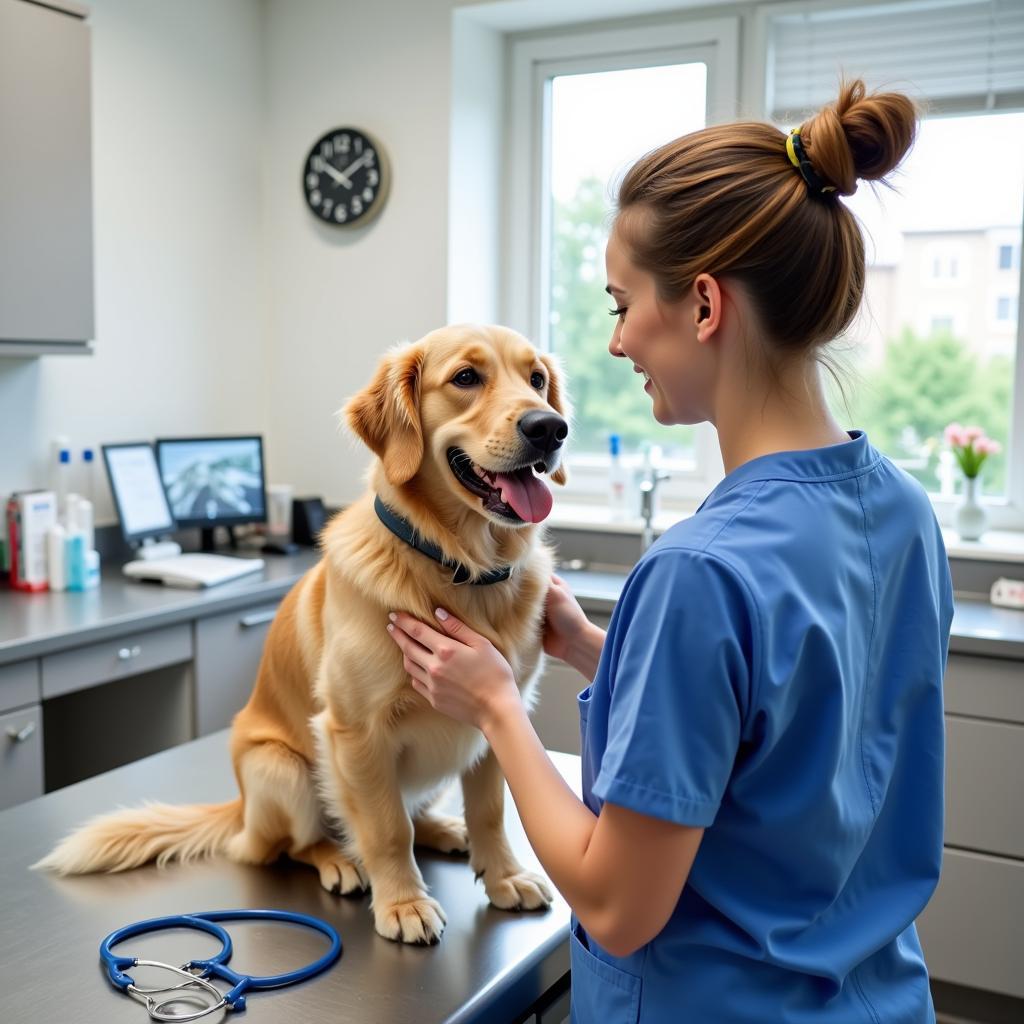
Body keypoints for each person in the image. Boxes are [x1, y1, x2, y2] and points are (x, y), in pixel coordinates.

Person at [386, 79, 954, 1023]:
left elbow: (615, 904)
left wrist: (496, 708)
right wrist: (592, 650)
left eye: (621, 305)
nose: (614, 344)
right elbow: (793, 739)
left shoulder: (698, 571)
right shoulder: (900, 508)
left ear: (702, 305)